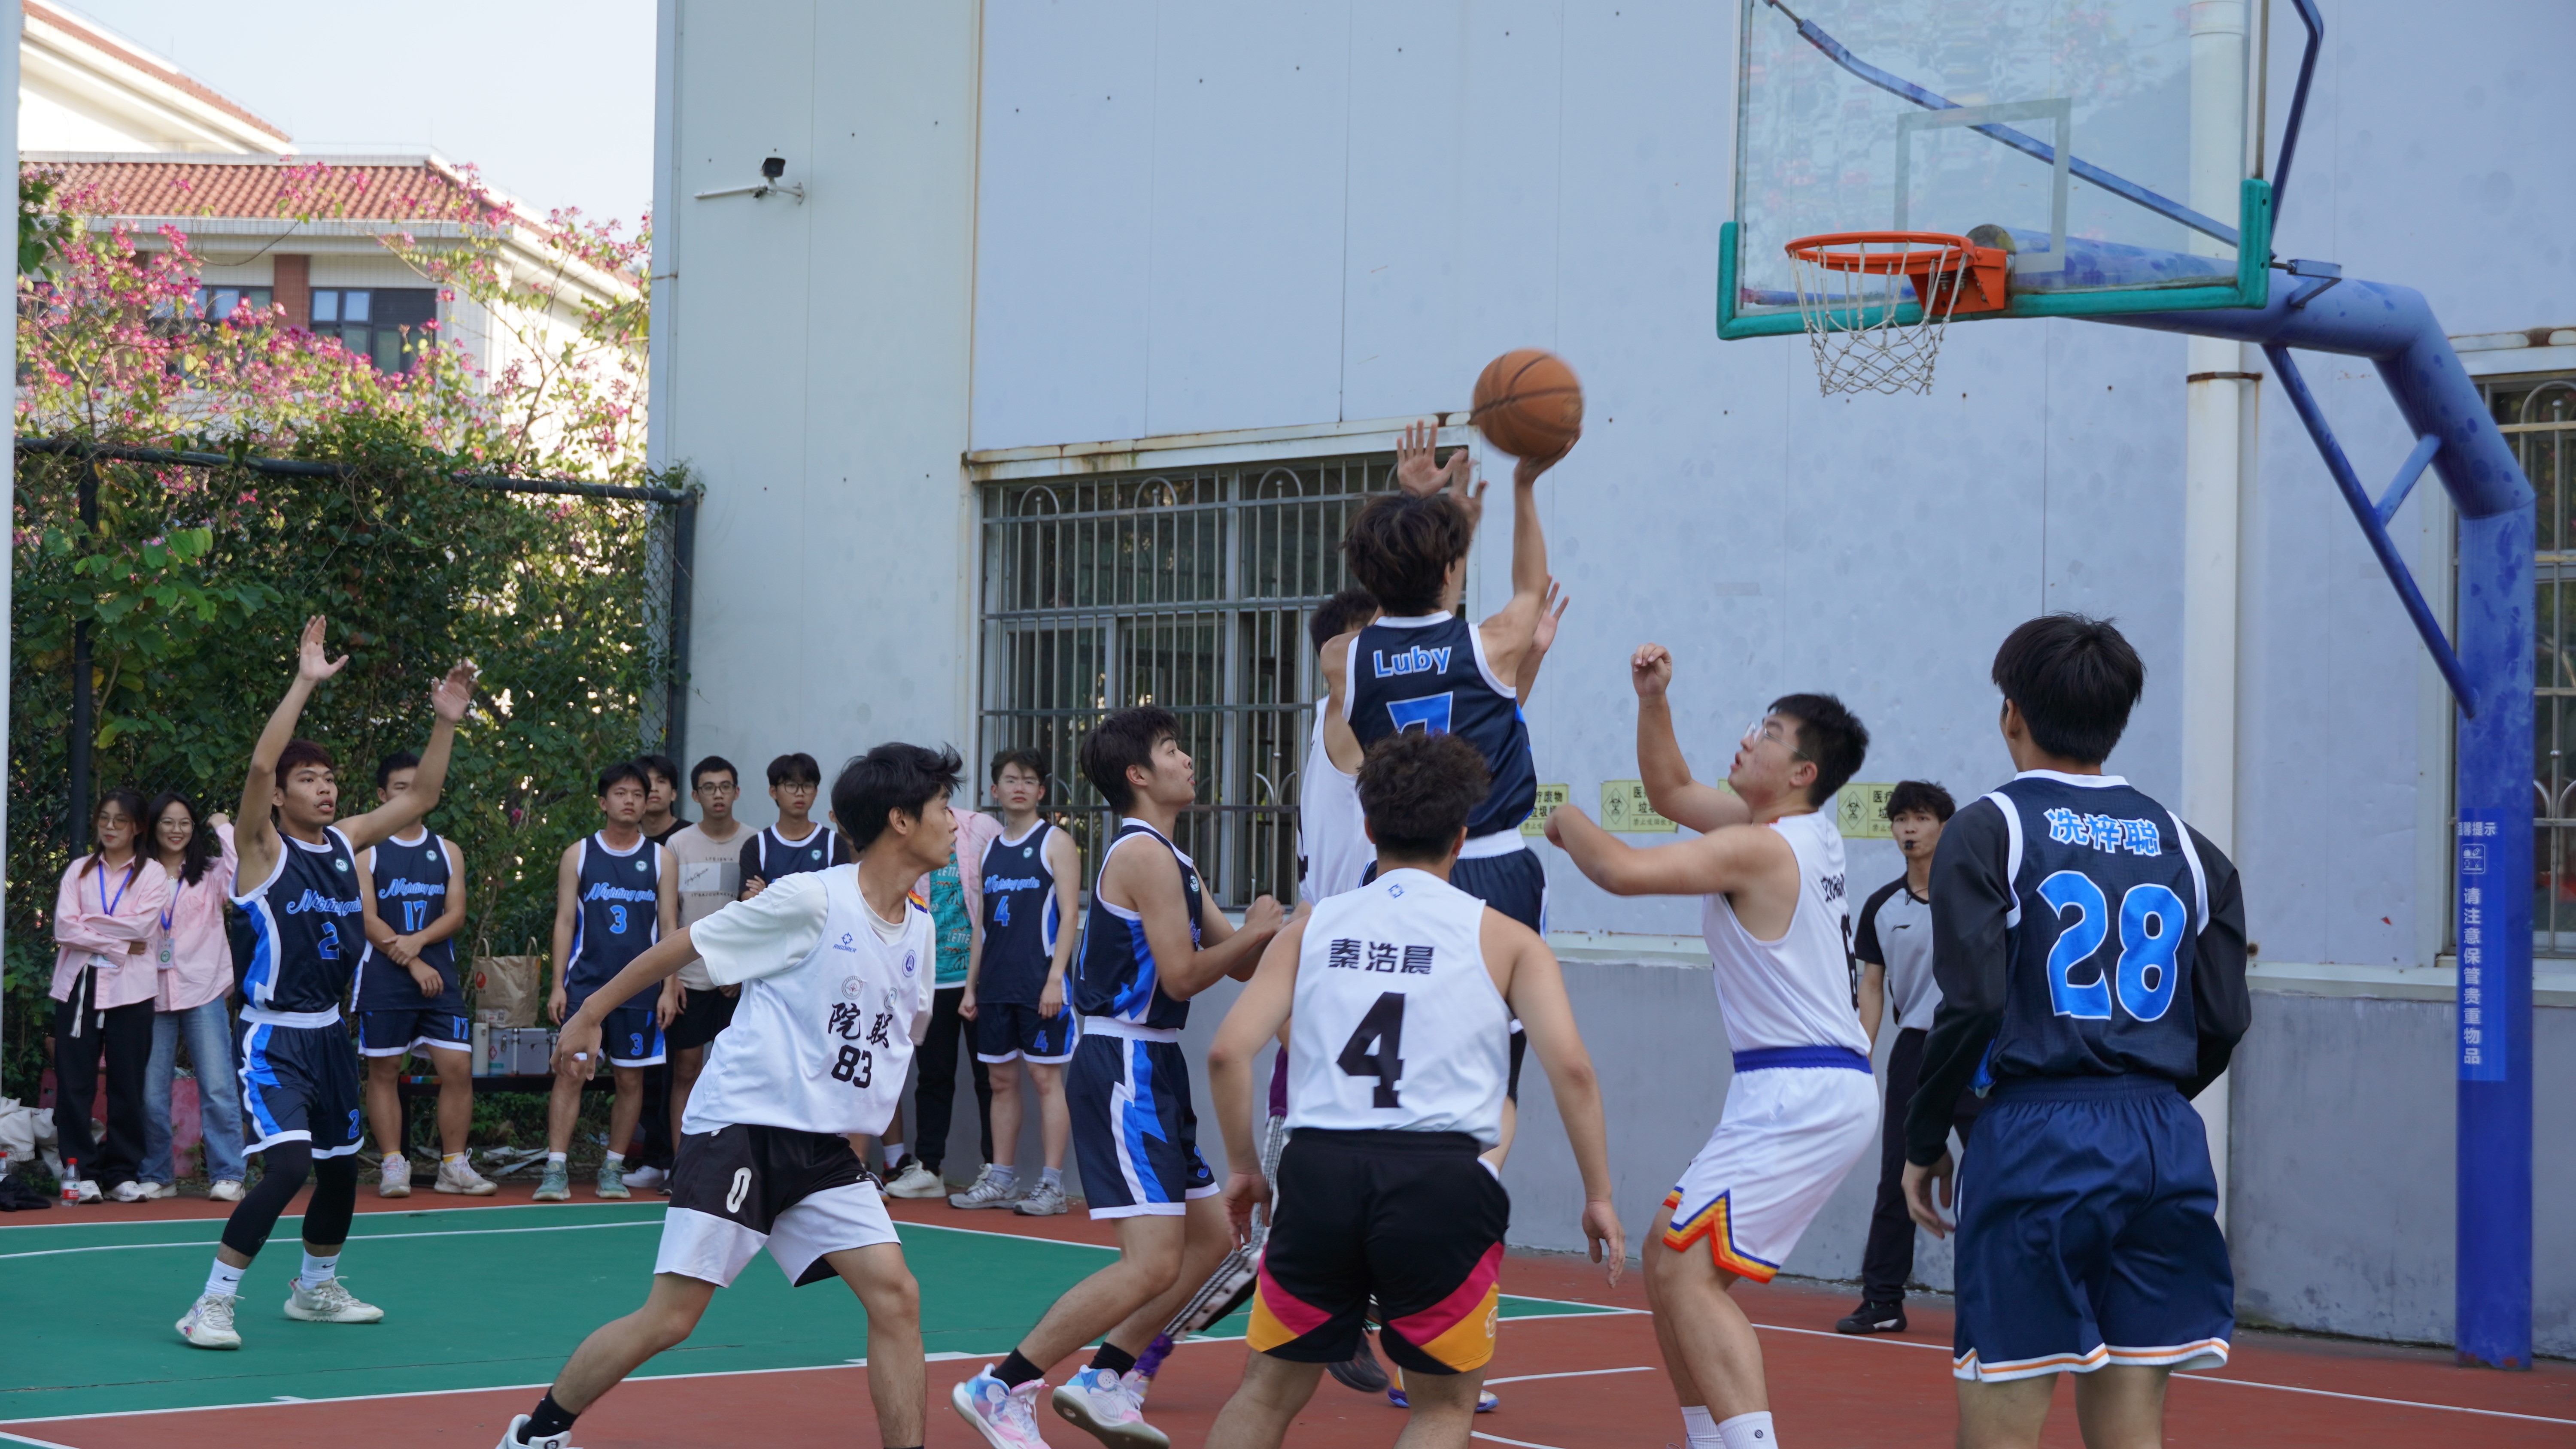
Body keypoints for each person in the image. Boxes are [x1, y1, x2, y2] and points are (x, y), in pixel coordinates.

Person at [491, 744, 958, 1449]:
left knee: (897, 1296)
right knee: (671, 1319)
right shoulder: (812, 899)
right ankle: (537, 1433)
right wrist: (589, 1013)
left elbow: (882, 1052)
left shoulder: (920, 927)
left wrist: (855, 1140)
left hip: (822, 1149)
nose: (955, 822)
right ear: (901, 819)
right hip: (741, 1127)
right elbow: (686, 944)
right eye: (944, 807)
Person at [1203, 732, 1625, 1449]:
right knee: (1441, 1408)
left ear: (1368, 829)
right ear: (1462, 836)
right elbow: (1574, 1071)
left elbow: (1226, 1053)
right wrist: (1599, 1195)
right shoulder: (1508, 939)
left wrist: (1245, 1168)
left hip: (1322, 1170)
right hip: (1441, 1180)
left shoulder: (1311, 928)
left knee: (1266, 1393)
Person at [1901, 616, 2249, 1449]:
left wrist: (1925, 1135)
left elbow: (1974, 1003)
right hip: (2163, 1139)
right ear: (2118, 717)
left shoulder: (1990, 827)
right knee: (2132, 1427)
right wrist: (2145, 1093)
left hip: (2040, 1137)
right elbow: (2226, 1019)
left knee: (2003, 1419)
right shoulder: (2192, 848)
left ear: (2011, 713)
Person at [1545, 644, 1877, 1449]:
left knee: (1689, 1271)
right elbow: (1668, 791)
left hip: (1802, 1089)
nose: (1748, 739)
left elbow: (1620, 871)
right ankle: (1710, 1439)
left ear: (1802, 772)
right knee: (1668, 1257)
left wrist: (1561, 815)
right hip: (1796, 1085)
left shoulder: (1760, 847)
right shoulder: (1796, 831)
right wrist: (1653, 699)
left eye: (1769, 735)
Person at [951, 707, 1284, 1449]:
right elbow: (1185, 974)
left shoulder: (1177, 860)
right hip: (1122, 1062)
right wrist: (1260, 929)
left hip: (1158, 1062)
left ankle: (1106, 1377)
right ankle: (999, 1386)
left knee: (1210, 1242)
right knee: (1152, 1262)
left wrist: (1280, 933)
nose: (1187, 759)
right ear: (1138, 774)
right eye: (1172, 749)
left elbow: (1242, 964)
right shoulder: (1140, 855)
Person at [177, 615, 475, 1350]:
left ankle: (315, 1289)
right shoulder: (260, 850)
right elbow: (258, 767)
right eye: (308, 779)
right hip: (273, 1036)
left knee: (341, 1174)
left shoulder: (345, 843)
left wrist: (444, 722)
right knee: (287, 1168)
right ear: (280, 797)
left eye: (330, 777)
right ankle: (211, 1302)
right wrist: (305, 682)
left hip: (330, 1035)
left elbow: (421, 797)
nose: (325, 787)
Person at [1839, 780, 1977, 1337]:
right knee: (1898, 1174)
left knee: (1991, 1175)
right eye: (1901, 820)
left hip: (1975, 1049)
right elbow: (1871, 988)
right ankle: (1882, 1300)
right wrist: (1861, 1056)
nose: (1909, 829)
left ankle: (1990, 1301)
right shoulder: (1882, 906)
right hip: (1916, 1049)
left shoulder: (1977, 897)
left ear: (1945, 826)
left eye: (1921, 818)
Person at [535, 762, 680, 1203]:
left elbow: (670, 927)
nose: (630, 801)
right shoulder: (579, 854)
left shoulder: (661, 858)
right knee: (571, 1072)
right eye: (621, 793)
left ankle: (613, 1167)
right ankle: (555, 1168)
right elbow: (564, 921)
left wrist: (669, 986)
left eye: (638, 794)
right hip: (587, 987)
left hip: (641, 990)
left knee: (631, 1081)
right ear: (603, 802)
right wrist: (558, 984)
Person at [353, 751, 493, 1198]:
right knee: (385, 1070)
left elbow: (456, 914)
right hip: (384, 978)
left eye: (418, 786)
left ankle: (453, 1166)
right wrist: (411, 957)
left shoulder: (448, 851)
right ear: (382, 795)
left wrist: (420, 942)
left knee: (458, 1067)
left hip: (439, 980)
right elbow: (366, 919)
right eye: (401, 788)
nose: (411, 795)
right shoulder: (366, 853)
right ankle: (394, 1163)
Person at [949, 749, 1081, 1216]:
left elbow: (1070, 916)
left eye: (1028, 780)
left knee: (1045, 1079)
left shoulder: (1056, 842)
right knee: (1001, 1080)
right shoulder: (989, 850)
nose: (1019, 787)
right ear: (995, 790)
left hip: (1040, 985)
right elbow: (982, 927)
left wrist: (1055, 980)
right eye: (1010, 779)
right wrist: (971, 988)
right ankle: (1001, 1178)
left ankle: (1053, 1186)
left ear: (1041, 790)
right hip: (996, 986)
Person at [51, 788, 172, 1203]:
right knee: (75, 1084)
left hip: (132, 991)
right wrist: (117, 944)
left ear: (137, 827)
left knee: (128, 1086)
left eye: (120, 820)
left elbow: (143, 928)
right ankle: (79, 1171)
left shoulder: (152, 874)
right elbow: (63, 928)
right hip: (79, 986)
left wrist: (90, 925)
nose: (110, 827)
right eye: (104, 818)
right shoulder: (79, 870)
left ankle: (121, 1173)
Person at [137, 792, 245, 1203]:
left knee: (218, 1086)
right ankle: (158, 1175)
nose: (176, 830)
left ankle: (228, 1174)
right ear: (153, 827)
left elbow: (241, 879)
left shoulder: (211, 872)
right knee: (151, 1092)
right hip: (150, 992)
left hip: (203, 989)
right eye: (167, 822)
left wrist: (224, 827)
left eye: (185, 822)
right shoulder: (138, 873)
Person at [894, 788, 999, 1200]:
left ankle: (996, 1168)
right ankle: (929, 1168)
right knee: (932, 1077)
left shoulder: (981, 828)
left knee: (989, 1077)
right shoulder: (910, 830)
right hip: (931, 978)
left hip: (978, 978)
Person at [661, 756, 750, 1149]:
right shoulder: (678, 844)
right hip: (691, 979)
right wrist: (671, 979)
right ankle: (683, 1165)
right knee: (686, 1072)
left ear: (737, 792)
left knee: (740, 1076)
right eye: (709, 788)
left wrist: (743, 971)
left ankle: (733, 1162)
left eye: (725, 787)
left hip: (737, 980)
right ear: (696, 796)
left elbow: (761, 917)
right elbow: (669, 917)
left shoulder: (754, 842)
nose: (718, 795)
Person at [629, 750, 693, 1187]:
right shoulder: (621, 841)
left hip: (681, 970)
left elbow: (679, 916)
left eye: (660, 783)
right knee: (644, 1071)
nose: (651, 791)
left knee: (676, 1070)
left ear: (673, 792)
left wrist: (677, 975)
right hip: (635, 970)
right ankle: (652, 1156)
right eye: (643, 784)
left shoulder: (686, 840)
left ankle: (676, 1158)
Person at [738, 752, 850, 897]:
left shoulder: (833, 844)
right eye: (791, 785)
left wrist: (769, 895)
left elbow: (841, 897)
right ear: (773, 792)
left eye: (807, 786)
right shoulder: (757, 846)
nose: (800, 793)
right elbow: (749, 899)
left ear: (816, 792)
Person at [637, 752, 689, 844]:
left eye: (661, 782)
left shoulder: (691, 835)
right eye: (646, 782)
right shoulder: (625, 837)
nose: (653, 788)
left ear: (673, 794)